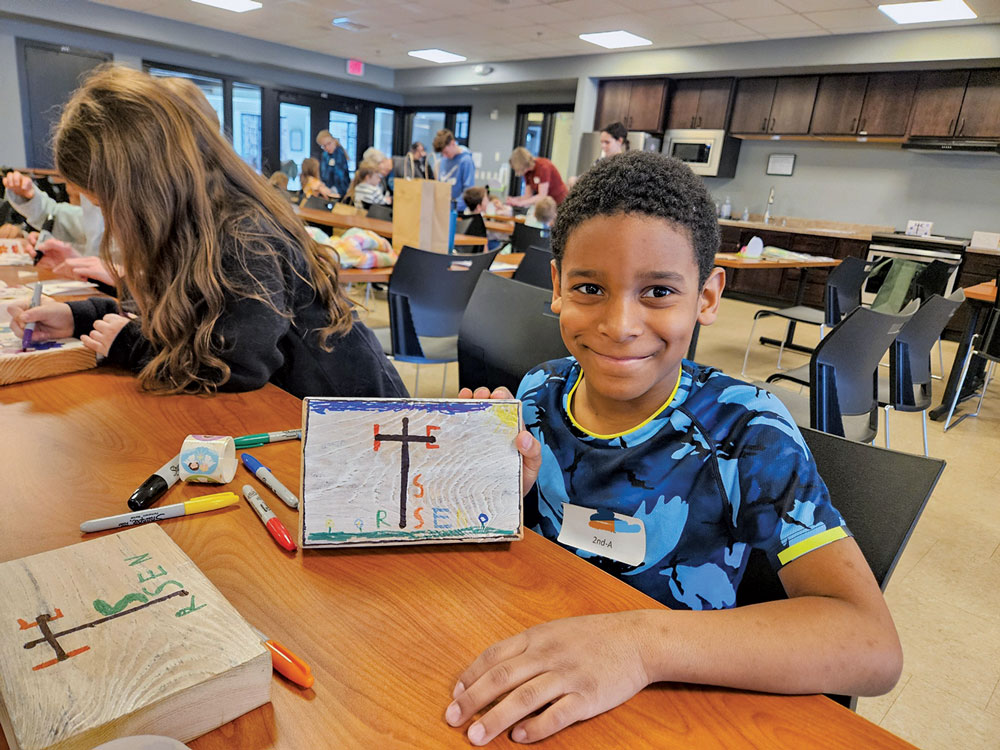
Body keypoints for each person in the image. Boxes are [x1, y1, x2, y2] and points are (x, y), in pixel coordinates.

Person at [445, 151, 901, 745]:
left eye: (658, 291)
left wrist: (639, 646)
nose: (620, 325)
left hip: (675, 709)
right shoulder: (539, 392)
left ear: (706, 297)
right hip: (547, 674)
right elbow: (536, 552)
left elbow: (871, 644)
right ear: (556, 286)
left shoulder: (747, 431)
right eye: (590, 288)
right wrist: (502, 492)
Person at [7, 65, 406, 401]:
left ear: (142, 190)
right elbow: (171, 319)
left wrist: (129, 344)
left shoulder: (245, 234)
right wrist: (80, 318)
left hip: (360, 425)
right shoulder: (192, 223)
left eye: (105, 203)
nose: (108, 218)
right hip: (300, 413)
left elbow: (236, 363)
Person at [433, 129, 475, 212]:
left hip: (457, 210)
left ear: (452, 143)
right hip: (442, 208)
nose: (445, 156)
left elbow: (468, 190)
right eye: (442, 153)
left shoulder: (466, 161)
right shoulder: (444, 160)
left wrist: (454, 207)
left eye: (446, 152)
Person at [315, 130, 351, 198]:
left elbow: (340, 177)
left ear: (334, 141)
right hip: (327, 189)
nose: (327, 148)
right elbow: (323, 174)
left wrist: (334, 190)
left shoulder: (340, 153)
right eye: (324, 146)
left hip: (340, 191)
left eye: (329, 144)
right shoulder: (325, 155)